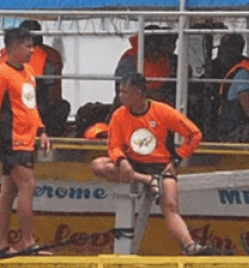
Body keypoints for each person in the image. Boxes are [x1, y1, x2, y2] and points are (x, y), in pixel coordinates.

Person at [89, 73, 213, 256]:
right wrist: (122, 161)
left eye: (125, 92)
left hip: (161, 165)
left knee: (170, 206)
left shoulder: (162, 111)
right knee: (98, 165)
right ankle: (147, 179)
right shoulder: (119, 115)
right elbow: (113, 146)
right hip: (133, 163)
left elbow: (194, 134)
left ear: (138, 94)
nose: (120, 96)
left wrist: (177, 159)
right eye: (120, 92)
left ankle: (189, 246)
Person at [0, 26, 51, 256]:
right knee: (27, 184)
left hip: (27, 138)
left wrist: (41, 130)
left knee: (9, 191)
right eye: (28, 46)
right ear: (14, 47)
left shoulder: (29, 72)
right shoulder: (0, 74)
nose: (32, 51)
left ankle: (0, 244)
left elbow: (30, 106)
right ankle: (28, 242)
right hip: (10, 140)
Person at [0, 20, 70, 136]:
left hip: (6, 116)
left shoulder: (0, 60)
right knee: (62, 106)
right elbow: (53, 96)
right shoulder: (49, 57)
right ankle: (50, 135)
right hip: (33, 113)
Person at [114, 25, 178, 105]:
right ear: (144, 42)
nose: (157, 47)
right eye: (154, 42)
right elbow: (123, 89)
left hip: (161, 101)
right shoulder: (130, 61)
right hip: (136, 102)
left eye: (159, 42)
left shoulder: (166, 60)